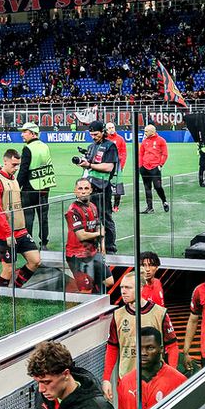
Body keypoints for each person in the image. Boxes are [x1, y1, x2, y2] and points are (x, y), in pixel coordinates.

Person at [102, 272, 178, 403]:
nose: (123, 292)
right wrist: (106, 379)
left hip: (155, 380)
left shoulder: (159, 313)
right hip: (126, 380)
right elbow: (112, 348)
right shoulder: (118, 316)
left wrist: (172, 376)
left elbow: (172, 346)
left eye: (128, 288)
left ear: (141, 288)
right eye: (122, 287)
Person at [0, 149, 42, 288]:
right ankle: (2, 297)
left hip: (21, 231)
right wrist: (8, 233)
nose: (16, 168)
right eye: (13, 165)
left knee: (35, 261)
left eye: (18, 165)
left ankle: (17, 288)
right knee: (8, 271)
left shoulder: (14, 180)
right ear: (5, 161)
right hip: (5, 234)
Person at [116, 327, 187, 409]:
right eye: (140, 348)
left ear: (161, 349)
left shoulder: (179, 382)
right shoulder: (125, 383)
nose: (143, 353)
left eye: (150, 348)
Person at [64, 178, 114, 294]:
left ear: (91, 190)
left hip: (92, 252)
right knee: (86, 291)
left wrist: (101, 243)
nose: (83, 191)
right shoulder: (73, 211)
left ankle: (95, 300)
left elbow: (97, 225)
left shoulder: (92, 206)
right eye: (80, 189)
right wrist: (99, 233)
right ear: (75, 191)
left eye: (86, 188)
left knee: (109, 281)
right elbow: (81, 236)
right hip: (77, 255)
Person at [78, 121, 118, 253]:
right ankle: (92, 245)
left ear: (103, 132)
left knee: (105, 217)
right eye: (91, 134)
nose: (94, 137)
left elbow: (109, 167)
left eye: (96, 134)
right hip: (90, 187)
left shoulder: (110, 146)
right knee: (89, 217)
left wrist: (89, 165)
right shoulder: (91, 146)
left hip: (103, 187)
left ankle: (110, 247)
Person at [17, 122, 55, 251]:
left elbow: (23, 170)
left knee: (28, 217)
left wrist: (17, 186)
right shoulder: (45, 146)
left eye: (25, 132)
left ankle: (29, 243)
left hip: (29, 188)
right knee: (43, 217)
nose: (22, 134)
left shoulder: (28, 148)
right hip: (44, 187)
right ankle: (43, 243)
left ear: (33, 133)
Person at [138, 125, 170, 213]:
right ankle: (150, 208)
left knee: (158, 187)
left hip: (155, 168)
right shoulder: (145, 141)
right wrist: (140, 166)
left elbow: (165, 154)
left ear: (152, 132)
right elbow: (141, 154)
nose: (145, 133)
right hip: (145, 168)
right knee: (147, 188)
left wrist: (160, 165)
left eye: (146, 131)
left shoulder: (161, 141)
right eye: (144, 131)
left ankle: (164, 202)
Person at [105, 122, 127, 213]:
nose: (111, 129)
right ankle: (107, 205)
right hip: (106, 166)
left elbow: (124, 153)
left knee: (117, 187)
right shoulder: (104, 139)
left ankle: (116, 205)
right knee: (106, 186)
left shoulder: (120, 139)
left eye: (112, 127)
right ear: (106, 130)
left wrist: (121, 166)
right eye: (109, 128)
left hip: (117, 166)